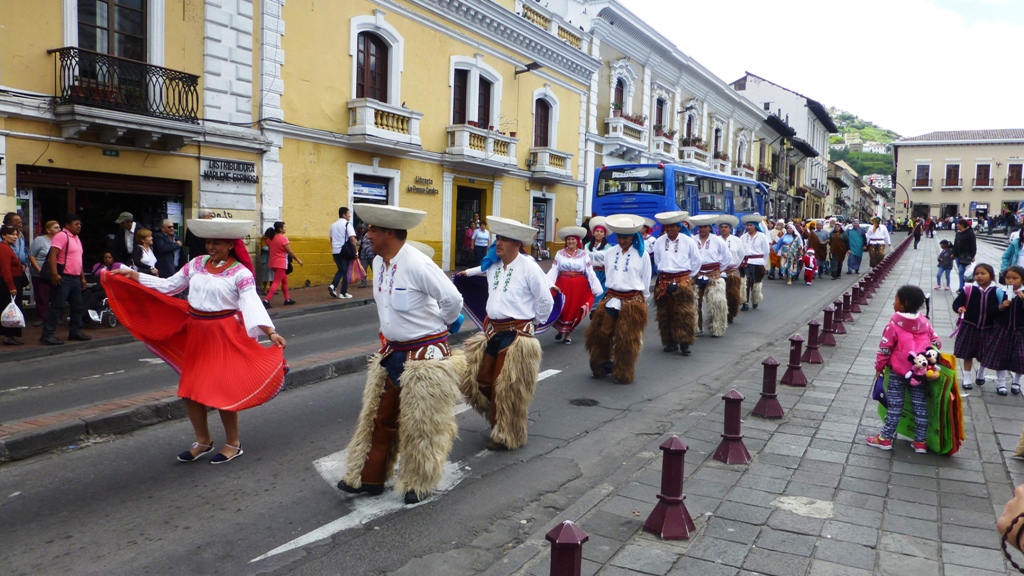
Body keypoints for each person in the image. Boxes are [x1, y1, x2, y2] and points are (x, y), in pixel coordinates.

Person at [104, 218, 287, 464]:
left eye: (217, 243)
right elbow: (169, 286)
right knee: (190, 391)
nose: (211, 247)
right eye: (209, 242)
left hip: (224, 334)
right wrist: (132, 275)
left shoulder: (240, 273)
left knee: (222, 389)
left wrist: (270, 331)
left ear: (231, 245)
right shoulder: (196, 264)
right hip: (197, 332)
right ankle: (203, 441)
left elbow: (251, 303)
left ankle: (233, 443)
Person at [337, 204, 466, 505]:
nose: (367, 235)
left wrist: (440, 325)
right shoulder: (380, 264)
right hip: (393, 352)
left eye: (373, 230)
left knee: (422, 425)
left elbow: (452, 299)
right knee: (380, 418)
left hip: (425, 356)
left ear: (390, 233)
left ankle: (418, 483)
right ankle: (369, 478)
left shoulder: (418, 264)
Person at [457, 216, 553, 449]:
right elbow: (477, 271)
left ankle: (507, 433)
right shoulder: (493, 266)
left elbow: (545, 301)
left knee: (506, 387)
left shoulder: (530, 267)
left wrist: (533, 326)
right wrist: (463, 276)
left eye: (505, 239)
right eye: (497, 238)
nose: (498, 243)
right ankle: (501, 421)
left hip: (518, 335)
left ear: (517, 244)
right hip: (493, 331)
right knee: (481, 382)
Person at [866, 285, 941, 453]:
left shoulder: (894, 325)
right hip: (920, 373)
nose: (894, 303)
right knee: (920, 404)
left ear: (904, 303)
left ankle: (885, 438)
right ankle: (920, 441)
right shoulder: (925, 323)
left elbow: (885, 348)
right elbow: (936, 342)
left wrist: (879, 367)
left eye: (896, 300)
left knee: (895, 405)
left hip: (898, 372)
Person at [585, 214, 651, 383]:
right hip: (612, 297)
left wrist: (643, 300)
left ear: (632, 237)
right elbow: (608, 274)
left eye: (626, 237)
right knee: (602, 332)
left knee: (626, 339)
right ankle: (603, 363)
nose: (622, 240)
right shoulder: (610, 253)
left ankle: (623, 371)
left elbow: (645, 278)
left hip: (632, 301)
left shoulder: (641, 255)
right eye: (620, 237)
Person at [652, 211, 700, 356]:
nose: (669, 229)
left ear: (678, 227)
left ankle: (684, 342)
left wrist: (689, 277)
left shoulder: (688, 241)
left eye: (672, 227)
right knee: (665, 313)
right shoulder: (660, 241)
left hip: (682, 279)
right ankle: (670, 341)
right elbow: (657, 261)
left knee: (683, 312)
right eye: (667, 227)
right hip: (665, 280)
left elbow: (696, 261)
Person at [546, 226, 602, 344]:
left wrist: (595, 286)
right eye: (568, 240)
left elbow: (589, 270)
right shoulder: (560, 253)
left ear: (577, 241)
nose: (570, 242)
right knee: (563, 307)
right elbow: (554, 269)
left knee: (574, 309)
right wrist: (548, 283)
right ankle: (561, 330)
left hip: (578, 286)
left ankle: (568, 334)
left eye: (573, 239)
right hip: (563, 284)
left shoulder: (583, 254)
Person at [40, 214, 89, 346]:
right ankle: (47, 334)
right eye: (76, 224)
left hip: (75, 278)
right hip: (64, 277)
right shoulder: (62, 236)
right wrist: (55, 274)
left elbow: (79, 260)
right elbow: (53, 255)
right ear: (67, 225)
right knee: (57, 306)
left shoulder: (77, 238)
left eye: (80, 224)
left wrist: (82, 277)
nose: (79, 226)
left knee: (78, 306)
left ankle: (75, 331)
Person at [953, 264, 1004, 390]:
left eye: (983, 273)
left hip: (989, 328)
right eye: (977, 274)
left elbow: (999, 310)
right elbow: (957, 303)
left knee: (985, 353)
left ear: (991, 276)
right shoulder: (968, 289)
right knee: (968, 354)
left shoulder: (997, 291)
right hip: (970, 326)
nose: (979, 276)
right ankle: (967, 378)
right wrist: (959, 308)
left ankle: (981, 373)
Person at [981, 265, 1024, 396]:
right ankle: (1001, 383)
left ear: (1022, 280)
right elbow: (990, 310)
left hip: (1020, 331)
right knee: (1001, 356)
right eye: (1008, 278)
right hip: (1002, 330)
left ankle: (1017, 382)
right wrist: (1001, 306)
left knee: (1020, 357)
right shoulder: (1000, 292)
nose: (1011, 281)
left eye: (1015, 278)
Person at [691, 215, 730, 337]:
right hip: (697, 275)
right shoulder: (692, 240)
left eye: (705, 227)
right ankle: (697, 327)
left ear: (709, 228)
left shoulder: (717, 240)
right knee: (694, 302)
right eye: (700, 227)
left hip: (713, 275)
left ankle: (716, 328)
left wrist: (719, 270)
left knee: (717, 303)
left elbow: (727, 257)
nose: (702, 229)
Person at [264, 221, 303, 308]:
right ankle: (266, 300)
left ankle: (287, 299)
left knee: (284, 280)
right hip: (281, 263)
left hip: (273, 262)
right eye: (284, 227)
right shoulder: (283, 239)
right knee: (276, 282)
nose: (285, 228)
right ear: (280, 229)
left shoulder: (270, 239)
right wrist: (298, 260)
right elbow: (290, 252)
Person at [28, 220, 60, 327]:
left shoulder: (60, 240)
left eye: (59, 227)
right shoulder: (40, 240)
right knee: (42, 295)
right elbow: (32, 255)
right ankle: (42, 318)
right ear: (48, 230)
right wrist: (39, 270)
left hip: (54, 273)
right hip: (40, 273)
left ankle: (55, 317)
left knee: (56, 295)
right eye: (55, 227)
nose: (59, 229)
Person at [0, 225, 27, 345]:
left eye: (16, 234)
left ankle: (10, 335)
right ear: (4, 235)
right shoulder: (4, 248)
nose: (15, 237)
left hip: (15, 280)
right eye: (11, 234)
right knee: (9, 309)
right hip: (10, 282)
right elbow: (5, 269)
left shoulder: (9, 248)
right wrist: (11, 287)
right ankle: (8, 336)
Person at [739, 214, 769, 311]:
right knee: (746, 282)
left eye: (751, 225)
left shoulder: (762, 237)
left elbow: (766, 251)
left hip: (758, 262)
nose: (749, 227)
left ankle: (755, 299)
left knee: (756, 282)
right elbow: (740, 251)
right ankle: (745, 302)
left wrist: (763, 263)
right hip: (746, 262)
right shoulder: (743, 237)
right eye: (747, 225)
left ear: (755, 226)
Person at [718, 215, 744, 324]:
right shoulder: (716, 240)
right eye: (722, 227)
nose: (723, 229)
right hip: (719, 272)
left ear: (730, 228)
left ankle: (731, 313)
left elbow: (741, 254)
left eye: (726, 227)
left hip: (732, 270)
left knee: (732, 294)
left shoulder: (736, 240)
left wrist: (735, 267)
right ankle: (720, 314)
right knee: (720, 295)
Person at [329, 207, 357, 299]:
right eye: (348, 213)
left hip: (335, 251)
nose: (349, 215)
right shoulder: (347, 224)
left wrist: (333, 251)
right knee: (345, 271)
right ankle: (341, 291)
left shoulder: (333, 225)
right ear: (344, 214)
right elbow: (352, 239)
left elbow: (331, 239)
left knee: (341, 270)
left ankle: (336, 288)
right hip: (344, 251)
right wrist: (356, 251)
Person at [585, 217, 612, 300]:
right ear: (593, 233)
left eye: (601, 232)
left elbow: (609, 262)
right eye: (597, 231)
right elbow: (585, 259)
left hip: (602, 274)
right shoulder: (587, 245)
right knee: (589, 294)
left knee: (600, 295)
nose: (599, 233)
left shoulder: (608, 247)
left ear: (604, 234)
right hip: (590, 273)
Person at [952, 218, 977, 290]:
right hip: (957, 255)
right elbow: (955, 244)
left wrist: (973, 255)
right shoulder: (958, 233)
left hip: (966, 255)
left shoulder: (970, 233)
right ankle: (962, 286)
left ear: (962, 225)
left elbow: (973, 245)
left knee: (961, 271)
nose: (957, 225)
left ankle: (961, 287)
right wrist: (953, 253)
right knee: (961, 272)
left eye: (958, 224)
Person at [358, 224, 375, 289]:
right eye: (368, 224)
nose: (369, 225)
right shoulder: (364, 233)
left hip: (371, 254)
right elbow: (361, 242)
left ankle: (377, 282)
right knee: (363, 270)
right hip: (363, 255)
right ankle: (363, 284)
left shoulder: (374, 233)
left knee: (374, 269)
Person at [258, 228, 273, 293]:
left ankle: (271, 289)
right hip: (265, 258)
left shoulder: (273, 239)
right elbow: (264, 247)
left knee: (272, 274)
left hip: (272, 258)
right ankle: (264, 288)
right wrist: (272, 249)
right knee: (265, 274)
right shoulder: (263, 238)